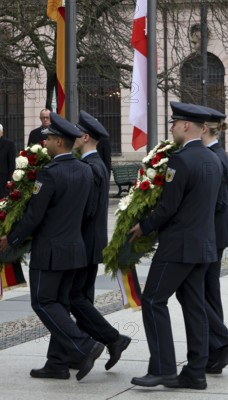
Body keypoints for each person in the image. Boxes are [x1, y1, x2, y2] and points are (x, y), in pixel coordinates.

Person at [129, 102, 228, 390]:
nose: (171, 128)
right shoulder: (214, 159)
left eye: (175, 123)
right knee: (194, 305)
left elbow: (169, 207)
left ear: (187, 126)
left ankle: (163, 369)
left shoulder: (180, 160)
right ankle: (195, 371)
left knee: (153, 300)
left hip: (178, 246)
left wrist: (144, 226)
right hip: (203, 244)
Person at [0, 112, 104, 381]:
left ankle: (85, 344)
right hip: (75, 248)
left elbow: (35, 215)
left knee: (43, 302)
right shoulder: (85, 169)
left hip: (51, 251)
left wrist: (10, 238)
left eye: (49, 139)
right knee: (59, 303)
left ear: (59, 142)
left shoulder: (51, 173)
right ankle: (57, 362)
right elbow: (89, 210)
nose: (44, 142)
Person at [69, 110, 131, 370]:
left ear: (84, 137)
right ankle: (78, 351)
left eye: (75, 133)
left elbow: (88, 210)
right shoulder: (95, 164)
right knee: (82, 298)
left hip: (85, 242)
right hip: (90, 242)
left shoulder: (91, 167)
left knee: (74, 298)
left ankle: (113, 339)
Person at [199, 111, 228, 374]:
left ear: (204, 129)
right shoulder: (218, 155)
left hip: (211, 233)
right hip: (216, 233)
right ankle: (215, 349)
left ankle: (221, 343)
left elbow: (215, 203)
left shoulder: (214, 157)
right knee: (208, 292)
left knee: (201, 292)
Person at [0, 123, 16, 198]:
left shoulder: (9, 144)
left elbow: (12, 164)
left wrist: (9, 180)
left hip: (3, 180)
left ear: (1, 132)